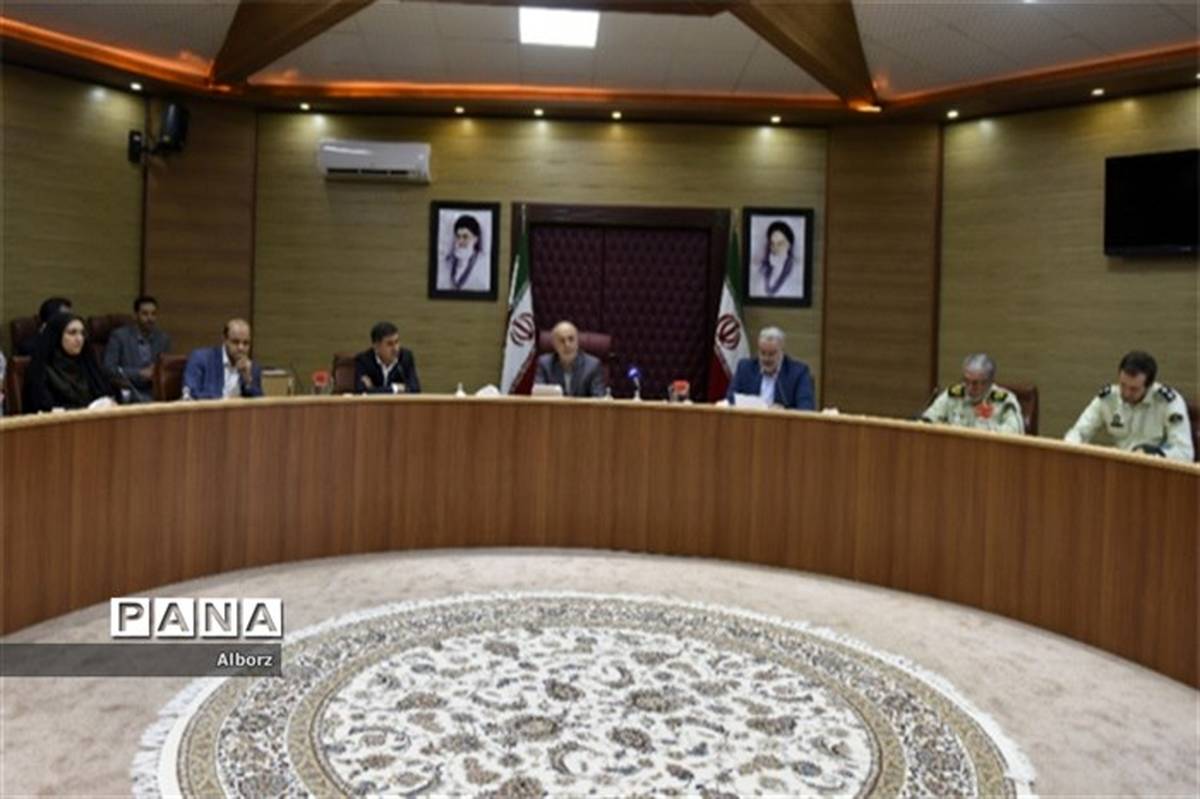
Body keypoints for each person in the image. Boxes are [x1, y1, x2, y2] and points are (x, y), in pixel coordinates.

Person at [1065, 350, 1193, 462]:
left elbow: (1185, 453)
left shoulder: (1168, 402)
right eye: (1123, 385)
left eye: (1134, 389)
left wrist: (1154, 455)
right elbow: (1079, 431)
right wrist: (1071, 449)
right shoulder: (1108, 399)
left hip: (1155, 470)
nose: (1126, 393)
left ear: (1149, 386)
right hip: (1120, 469)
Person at [23, 312, 116, 412]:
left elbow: (105, 394)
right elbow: (43, 408)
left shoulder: (88, 363)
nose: (79, 339)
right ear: (57, 336)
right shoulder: (40, 369)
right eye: (72, 333)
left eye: (82, 333)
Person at [921, 353, 1024, 435]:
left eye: (975, 383)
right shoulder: (953, 395)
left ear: (989, 382)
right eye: (966, 381)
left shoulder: (1004, 401)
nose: (969, 388)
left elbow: (1014, 433)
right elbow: (927, 421)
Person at [726, 326, 814, 410]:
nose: (766, 359)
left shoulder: (798, 373)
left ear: (782, 351)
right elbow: (730, 399)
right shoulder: (745, 368)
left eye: (771, 354)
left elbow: (806, 408)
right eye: (762, 353)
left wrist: (785, 412)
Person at [103, 295, 171, 402]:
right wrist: (139, 373)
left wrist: (157, 371)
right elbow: (109, 369)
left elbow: (166, 368)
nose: (150, 318)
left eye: (153, 314)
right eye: (145, 314)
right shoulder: (119, 337)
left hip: (154, 390)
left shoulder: (163, 339)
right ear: (135, 315)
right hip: (128, 388)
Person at [182, 318, 263, 400]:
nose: (241, 348)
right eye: (235, 342)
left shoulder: (252, 368)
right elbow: (191, 393)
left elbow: (259, 403)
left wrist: (248, 382)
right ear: (225, 339)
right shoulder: (201, 359)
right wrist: (226, 401)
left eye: (246, 343)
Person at [534, 320, 606, 398]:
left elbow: (599, 399)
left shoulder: (593, 366)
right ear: (554, 344)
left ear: (577, 341)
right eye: (562, 341)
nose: (567, 345)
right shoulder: (544, 364)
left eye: (571, 339)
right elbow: (538, 396)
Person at [353, 321, 421, 394]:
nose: (395, 348)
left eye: (397, 342)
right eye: (390, 344)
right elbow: (361, 391)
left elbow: (415, 389)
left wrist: (373, 389)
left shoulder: (405, 357)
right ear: (376, 346)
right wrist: (395, 388)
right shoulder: (364, 361)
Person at [749, 221, 804, 298]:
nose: (775, 248)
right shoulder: (763, 268)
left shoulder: (796, 271)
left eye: (780, 244)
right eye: (772, 243)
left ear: (789, 245)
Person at [438, 214, 489, 292]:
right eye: (458, 236)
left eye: (465, 237)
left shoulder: (483, 265)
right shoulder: (448, 262)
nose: (460, 241)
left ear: (475, 239)